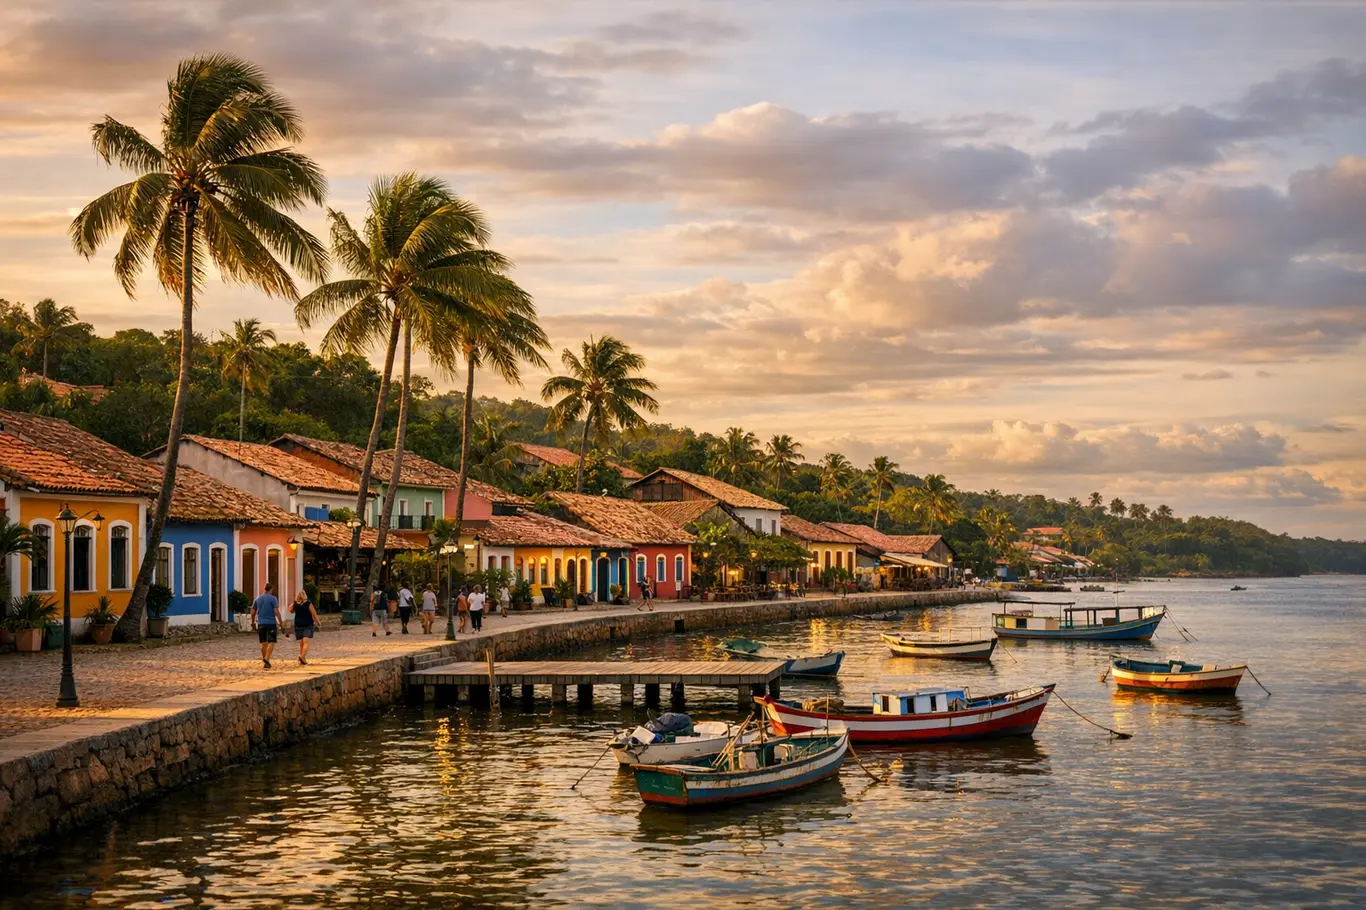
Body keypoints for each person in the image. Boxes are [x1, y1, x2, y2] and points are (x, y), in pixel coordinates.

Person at [251, 583, 281, 669]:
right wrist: (281, 622)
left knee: (263, 642)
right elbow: (276, 612)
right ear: (271, 589)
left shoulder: (258, 599)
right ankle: (267, 658)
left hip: (261, 623)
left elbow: (253, 612)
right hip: (271, 623)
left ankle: (265, 659)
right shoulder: (273, 599)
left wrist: (252, 622)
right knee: (272, 641)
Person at [289, 590, 319, 665]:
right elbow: (314, 614)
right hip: (307, 625)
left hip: (298, 625)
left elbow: (290, 610)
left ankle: (302, 658)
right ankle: (302, 657)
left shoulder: (295, 604)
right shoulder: (308, 604)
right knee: (306, 642)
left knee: (301, 643)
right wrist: (318, 622)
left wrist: (295, 603)